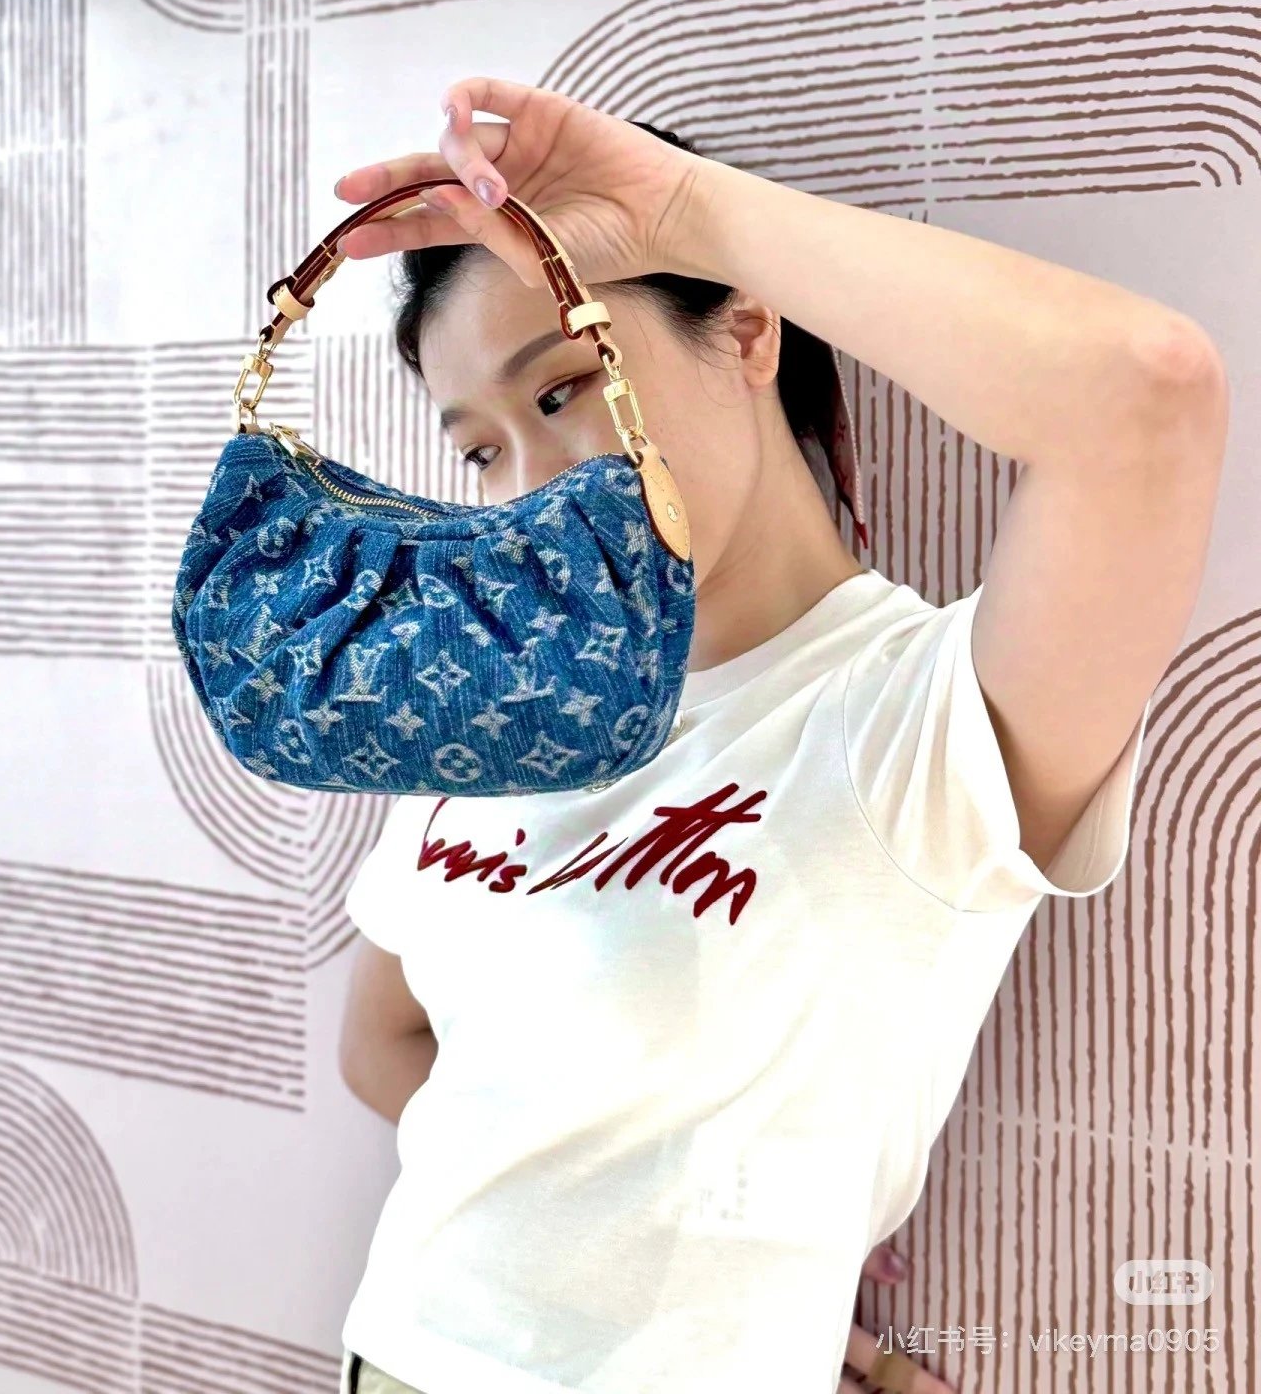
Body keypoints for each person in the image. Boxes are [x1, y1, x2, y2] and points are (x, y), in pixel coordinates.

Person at [331, 80, 1228, 1394]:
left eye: (565, 390)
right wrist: (687, 1248)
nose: (525, 496)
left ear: (747, 331)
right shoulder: (501, 720)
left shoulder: (914, 720)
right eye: (479, 452)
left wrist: (689, 212)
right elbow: (384, 1048)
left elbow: (1147, 392)